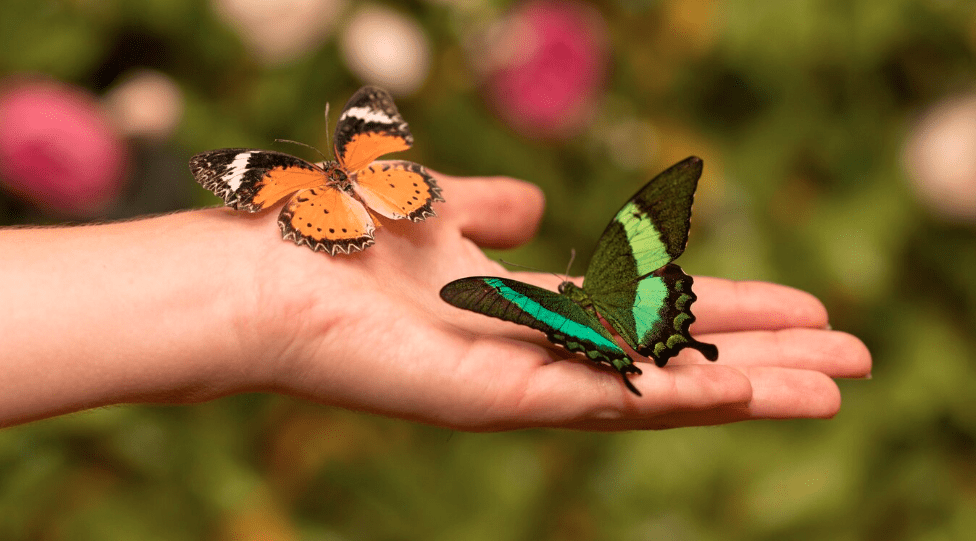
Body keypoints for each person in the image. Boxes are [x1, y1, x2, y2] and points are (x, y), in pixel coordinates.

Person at [0, 170, 871, 430]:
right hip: (621, 317)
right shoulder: (567, 282)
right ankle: (638, 343)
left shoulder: (526, 297)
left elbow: (514, 299)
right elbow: (528, 294)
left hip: (587, 329)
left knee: (592, 320)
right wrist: (256, 286)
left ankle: (621, 350)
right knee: (629, 305)